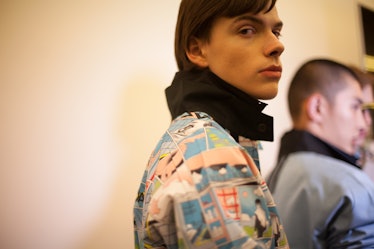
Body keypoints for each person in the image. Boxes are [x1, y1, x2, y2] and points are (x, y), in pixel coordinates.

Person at [133, 0, 289, 248]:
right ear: (197, 49)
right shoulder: (210, 160)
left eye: (276, 31)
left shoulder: (199, 137)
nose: (277, 45)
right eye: (247, 29)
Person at [267, 58, 374, 248]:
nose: (363, 123)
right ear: (317, 108)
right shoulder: (351, 186)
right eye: (355, 107)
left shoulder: (267, 180)